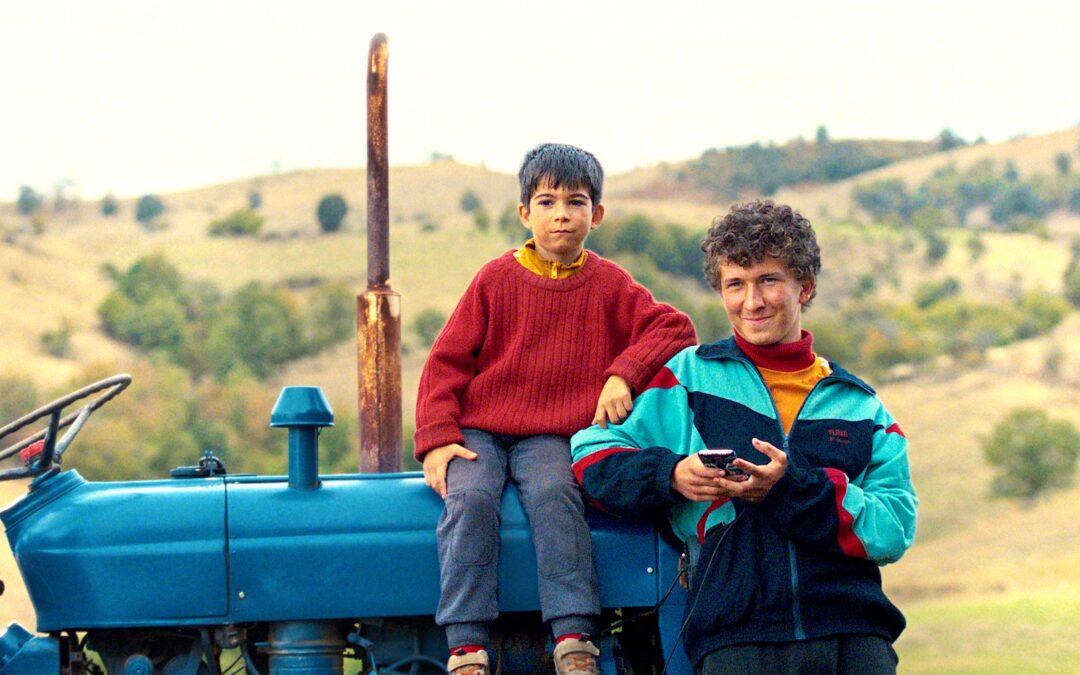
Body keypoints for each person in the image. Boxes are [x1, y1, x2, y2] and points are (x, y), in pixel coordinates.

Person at [571, 200, 917, 674]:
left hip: (854, 642)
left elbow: (895, 528)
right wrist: (671, 475)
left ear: (805, 286)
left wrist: (788, 488)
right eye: (735, 284)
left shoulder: (860, 407)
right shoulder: (688, 379)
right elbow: (591, 454)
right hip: (735, 640)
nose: (751, 302)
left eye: (768, 280)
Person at [414, 143, 697, 675]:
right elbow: (446, 361)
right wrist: (435, 437)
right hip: (480, 428)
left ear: (598, 214)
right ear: (525, 213)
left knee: (555, 493)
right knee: (470, 497)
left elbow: (675, 327)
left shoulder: (610, 284)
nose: (561, 213)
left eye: (576, 201)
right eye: (546, 202)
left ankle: (573, 636)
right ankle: (466, 642)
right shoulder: (495, 280)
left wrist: (623, 373)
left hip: (551, 435)